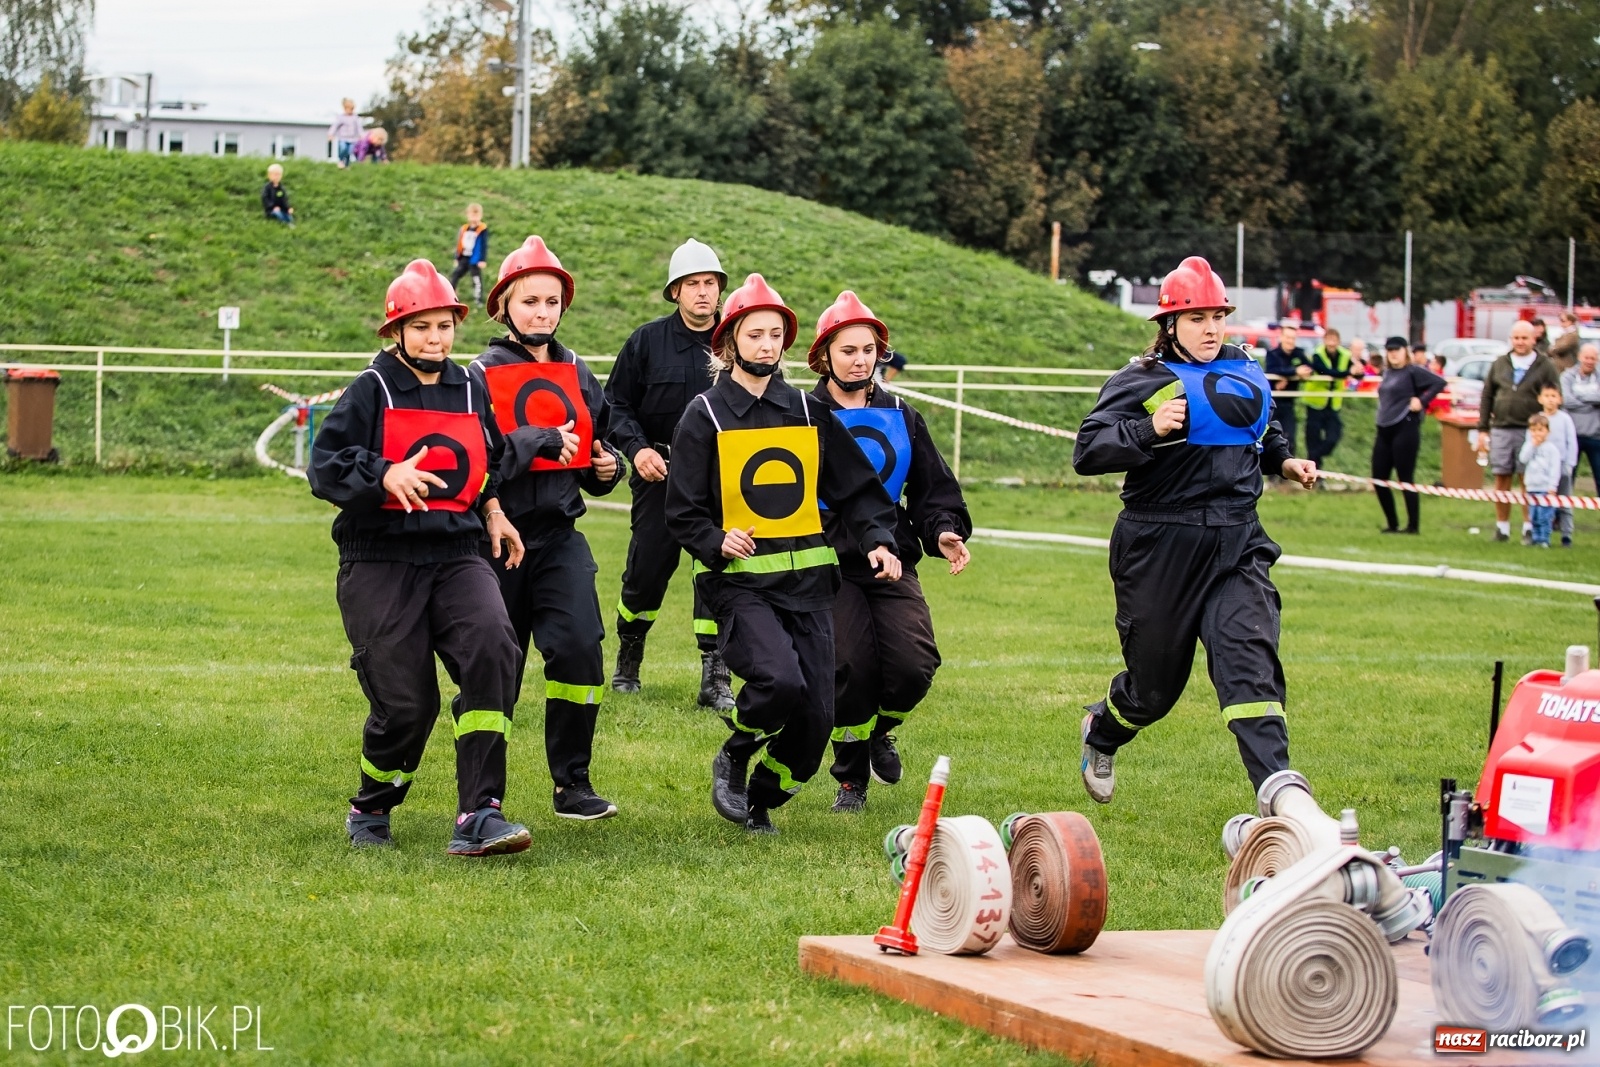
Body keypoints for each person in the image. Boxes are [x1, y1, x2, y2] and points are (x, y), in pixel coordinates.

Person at [1072, 256, 1318, 802]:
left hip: (1238, 540)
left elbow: (1259, 424)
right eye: (1197, 318)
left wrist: (1284, 461)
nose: (1211, 329)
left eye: (1218, 317)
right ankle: (1103, 730)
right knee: (1154, 691)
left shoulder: (1244, 367)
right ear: (1170, 326)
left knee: (1249, 663)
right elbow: (1087, 451)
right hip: (1159, 545)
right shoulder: (1142, 379)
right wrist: (1146, 428)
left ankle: (1281, 801)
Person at [308, 259, 533, 856]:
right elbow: (324, 467)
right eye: (423, 327)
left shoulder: (469, 386)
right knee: (407, 703)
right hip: (379, 558)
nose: (437, 339)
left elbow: (482, 462)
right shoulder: (370, 390)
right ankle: (373, 804)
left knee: (494, 649)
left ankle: (480, 814)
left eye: (445, 326)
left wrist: (492, 509)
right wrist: (384, 473)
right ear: (396, 332)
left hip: (458, 553)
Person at [664, 273, 901, 835]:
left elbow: (855, 486)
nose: (767, 345)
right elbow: (682, 509)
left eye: (776, 335)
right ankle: (736, 751)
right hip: (740, 584)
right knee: (779, 683)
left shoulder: (804, 409)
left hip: (811, 586)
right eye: (755, 335)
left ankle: (761, 799)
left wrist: (878, 540)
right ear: (729, 344)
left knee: (817, 721)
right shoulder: (705, 415)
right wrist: (715, 540)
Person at [468, 236, 627, 821]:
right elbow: (474, 461)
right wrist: (537, 440)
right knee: (494, 669)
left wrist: (609, 467)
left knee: (582, 651)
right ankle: (483, 801)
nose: (542, 311)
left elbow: (595, 447)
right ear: (504, 304)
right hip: (493, 542)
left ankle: (573, 786)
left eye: (552, 302)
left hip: (561, 539)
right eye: (530, 300)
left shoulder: (577, 371)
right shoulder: (476, 377)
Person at [805, 291, 972, 813]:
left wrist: (943, 529)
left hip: (892, 555)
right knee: (848, 665)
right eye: (848, 350)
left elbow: (932, 489)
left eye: (869, 350)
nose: (859, 360)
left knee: (915, 665)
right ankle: (851, 778)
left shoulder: (904, 414)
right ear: (824, 356)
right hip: (826, 561)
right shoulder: (800, 414)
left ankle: (881, 731)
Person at [604, 239, 733, 708]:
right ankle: (629, 656)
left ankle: (715, 675)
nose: (703, 292)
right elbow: (614, 405)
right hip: (658, 476)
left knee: (718, 569)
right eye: (692, 284)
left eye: (711, 284)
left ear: (721, 290)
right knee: (647, 572)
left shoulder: (736, 342)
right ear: (675, 291)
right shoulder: (646, 341)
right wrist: (636, 450)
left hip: (721, 482)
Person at [1475, 320, 1563, 543]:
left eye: (1524, 338)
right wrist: (1483, 428)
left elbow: (1555, 395)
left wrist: (1547, 425)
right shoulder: (1499, 363)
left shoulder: (1545, 365)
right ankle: (1502, 527)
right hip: (1502, 427)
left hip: (1531, 430)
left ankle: (1528, 527)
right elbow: (1487, 396)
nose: (1520, 342)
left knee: (1529, 480)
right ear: (1511, 339)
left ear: (1534, 339)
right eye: (1516, 338)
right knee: (1502, 477)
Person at [1371, 336, 1446, 534]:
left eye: (1397, 349)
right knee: (1378, 477)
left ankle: (1413, 525)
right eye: (1390, 350)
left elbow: (1439, 382)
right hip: (1384, 428)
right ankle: (1392, 524)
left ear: (1405, 351)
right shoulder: (1387, 373)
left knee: (1405, 477)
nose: (1394, 353)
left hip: (1405, 427)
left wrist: (1422, 401)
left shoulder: (1413, 371)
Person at [1300, 326, 1353, 469]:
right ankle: (1315, 473)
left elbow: (1355, 371)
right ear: (1324, 341)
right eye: (1329, 340)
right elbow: (1324, 371)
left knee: (1333, 437)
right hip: (1315, 402)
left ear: (1339, 341)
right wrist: (1347, 373)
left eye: (1334, 340)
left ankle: (1315, 457)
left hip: (1333, 403)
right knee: (1313, 438)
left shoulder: (1346, 355)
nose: (1331, 344)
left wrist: (1356, 371)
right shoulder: (1317, 354)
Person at [1538, 383, 1579, 547]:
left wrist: (1570, 464)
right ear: (1540, 399)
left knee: (1565, 502)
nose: (1550, 400)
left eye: (1553, 396)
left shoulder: (1565, 419)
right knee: (1544, 504)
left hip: (1562, 467)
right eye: (1547, 396)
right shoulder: (1538, 419)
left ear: (1560, 399)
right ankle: (1542, 535)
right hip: (1543, 470)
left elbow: (1572, 442)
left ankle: (1566, 535)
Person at [1261, 323, 1306, 456]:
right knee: (1270, 436)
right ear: (1281, 337)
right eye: (1287, 337)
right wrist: (1294, 371)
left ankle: (1286, 470)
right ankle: (1271, 471)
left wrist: (1288, 376)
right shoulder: (1273, 353)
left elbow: (1309, 368)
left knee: (1289, 437)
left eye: (1293, 338)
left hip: (1289, 402)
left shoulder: (1299, 353)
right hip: (1273, 402)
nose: (1290, 341)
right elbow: (1272, 370)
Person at [1562, 343, 1600, 493]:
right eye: (1587, 357)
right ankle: (1564, 514)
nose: (1589, 361)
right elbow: (1566, 400)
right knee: (1568, 477)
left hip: (1596, 436)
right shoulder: (1567, 376)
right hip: (1572, 436)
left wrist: (1578, 397)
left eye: (1593, 358)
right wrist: (1592, 402)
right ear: (1579, 357)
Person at [1520, 414, 1561, 548]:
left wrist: (1552, 487)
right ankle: (1536, 538)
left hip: (1545, 488)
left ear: (1547, 431)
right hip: (1532, 487)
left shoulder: (1552, 449)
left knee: (1544, 516)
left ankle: (1544, 539)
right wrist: (1532, 445)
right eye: (1534, 430)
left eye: (1540, 430)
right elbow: (1523, 459)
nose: (1537, 433)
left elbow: (1555, 469)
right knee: (1534, 516)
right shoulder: (1529, 445)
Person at [449, 203, 490, 308]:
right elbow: (460, 243)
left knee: (476, 279)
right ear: (468, 215)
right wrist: (457, 257)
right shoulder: (464, 229)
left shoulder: (482, 229)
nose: (474, 218)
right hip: (464, 257)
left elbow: (484, 245)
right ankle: (450, 295)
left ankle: (478, 299)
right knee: (455, 275)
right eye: (472, 215)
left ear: (481, 216)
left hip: (475, 259)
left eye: (477, 215)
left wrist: (482, 259)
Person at [327, 98, 362, 168]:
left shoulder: (355, 117)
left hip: (353, 139)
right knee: (343, 148)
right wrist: (331, 134)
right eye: (348, 109)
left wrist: (361, 135)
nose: (350, 110)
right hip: (343, 138)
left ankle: (347, 165)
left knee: (350, 151)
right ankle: (341, 161)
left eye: (352, 109)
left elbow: (359, 127)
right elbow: (335, 126)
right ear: (345, 108)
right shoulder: (341, 117)